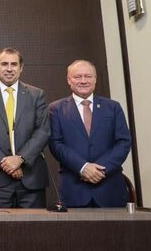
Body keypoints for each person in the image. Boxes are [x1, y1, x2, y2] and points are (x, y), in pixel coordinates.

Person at [0, 48, 50, 208]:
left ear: (21, 68)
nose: (9, 69)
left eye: (14, 64)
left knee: (35, 225)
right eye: (4, 64)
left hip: (31, 178)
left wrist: (20, 159)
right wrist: (5, 164)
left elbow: (43, 131)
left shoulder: (36, 95)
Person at [48, 60, 132, 207]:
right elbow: (56, 144)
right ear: (69, 80)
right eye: (77, 77)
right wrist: (83, 167)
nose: (83, 81)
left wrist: (99, 169)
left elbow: (123, 142)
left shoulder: (113, 107)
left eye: (88, 76)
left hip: (109, 188)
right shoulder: (56, 109)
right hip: (74, 189)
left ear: (95, 79)